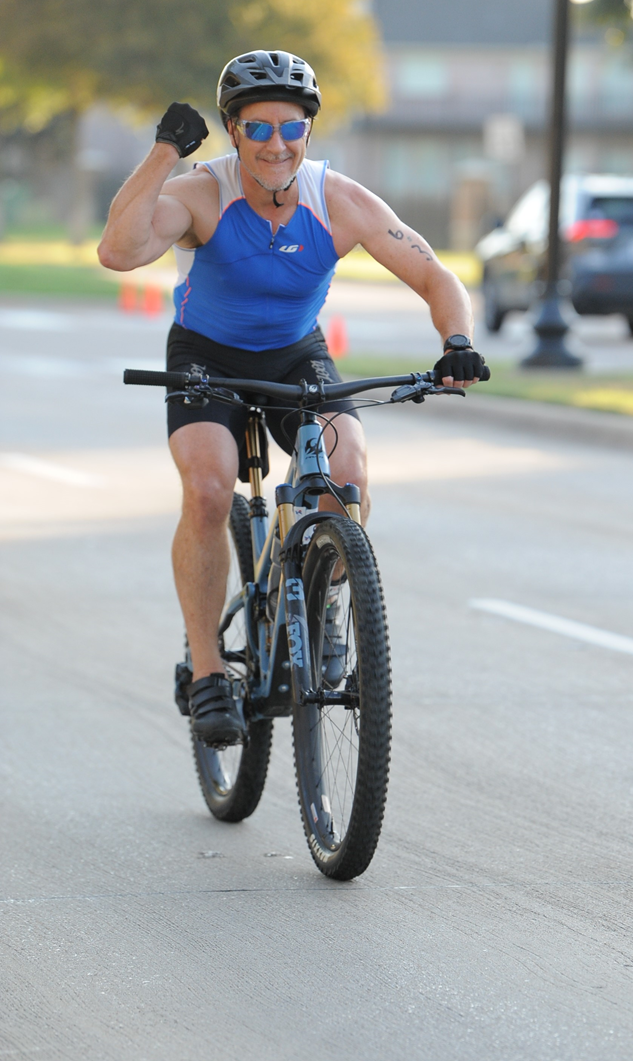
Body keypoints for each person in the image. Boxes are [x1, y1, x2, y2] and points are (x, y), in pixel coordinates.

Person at [98, 49, 489, 747]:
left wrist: (456, 338)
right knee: (212, 489)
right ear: (230, 129)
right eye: (256, 129)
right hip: (206, 356)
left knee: (348, 475)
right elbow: (120, 253)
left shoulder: (337, 200)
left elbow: (435, 274)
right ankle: (210, 669)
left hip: (295, 354)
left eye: (290, 127)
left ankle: (331, 610)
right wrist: (164, 151)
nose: (276, 144)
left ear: (309, 130)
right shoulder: (201, 193)